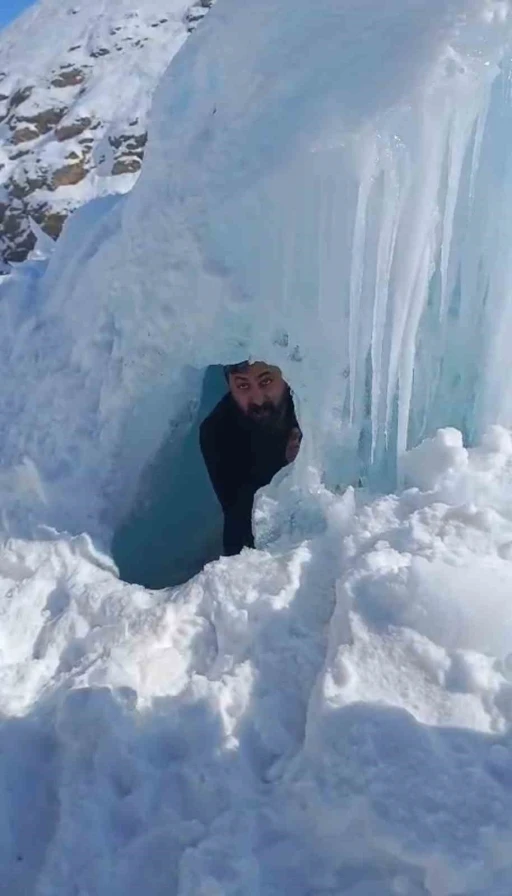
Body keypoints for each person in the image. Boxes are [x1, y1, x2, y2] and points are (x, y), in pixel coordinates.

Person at [200, 361, 302, 555]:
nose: (257, 399)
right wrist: (287, 470)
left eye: (266, 381)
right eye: (243, 386)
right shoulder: (218, 431)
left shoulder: (316, 412)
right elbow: (239, 520)